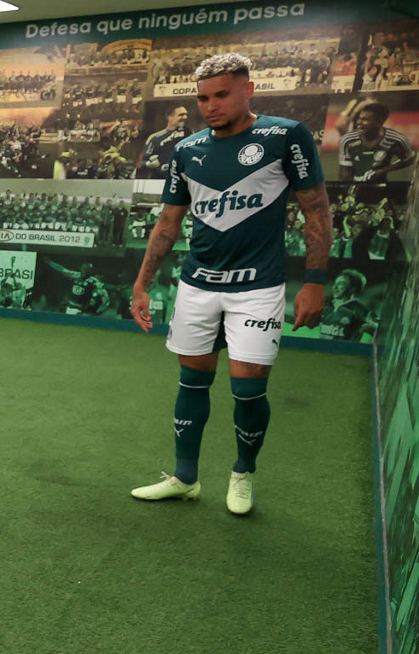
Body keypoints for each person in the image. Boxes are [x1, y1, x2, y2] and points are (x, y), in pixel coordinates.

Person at [129, 53, 330, 515]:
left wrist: (315, 282)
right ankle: (185, 478)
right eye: (203, 98)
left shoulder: (285, 136)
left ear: (248, 90)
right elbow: (168, 222)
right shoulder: (187, 150)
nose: (210, 106)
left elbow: (316, 209)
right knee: (191, 381)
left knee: (248, 388)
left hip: (259, 285)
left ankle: (242, 474)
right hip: (198, 284)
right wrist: (142, 283)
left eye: (221, 95)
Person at [338, 102, 415, 183]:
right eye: (359, 118)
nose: (358, 122)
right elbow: (345, 173)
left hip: (381, 186)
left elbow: (409, 159)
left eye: (365, 119)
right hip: (355, 186)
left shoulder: (396, 139)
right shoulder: (348, 140)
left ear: (378, 122)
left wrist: (384, 170)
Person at [320, 269, 378, 342]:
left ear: (353, 288)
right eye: (335, 283)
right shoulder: (326, 306)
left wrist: (370, 329)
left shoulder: (359, 310)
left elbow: (380, 328)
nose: (335, 287)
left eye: (341, 284)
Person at [138, 106, 190, 179]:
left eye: (186, 114)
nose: (185, 117)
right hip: (160, 179)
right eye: (181, 115)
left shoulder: (190, 134)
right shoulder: (155, 138)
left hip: (182, 179)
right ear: (170, 118)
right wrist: (148, 164)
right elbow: (141, 162)